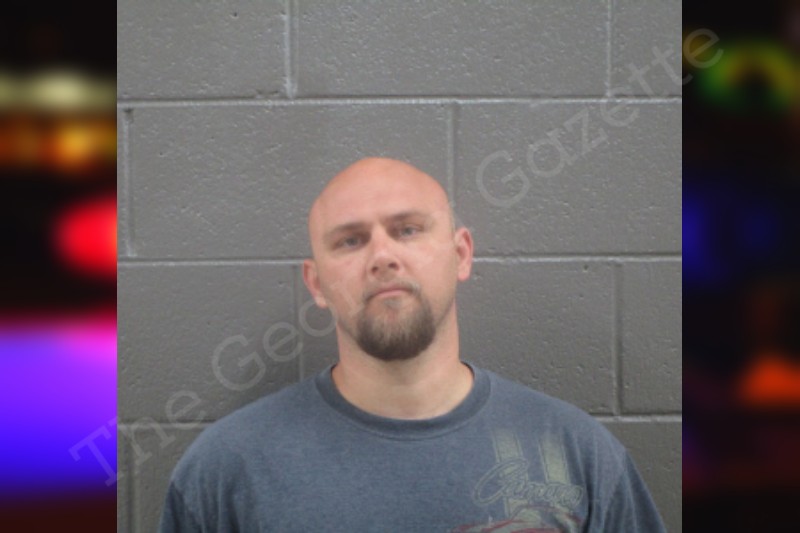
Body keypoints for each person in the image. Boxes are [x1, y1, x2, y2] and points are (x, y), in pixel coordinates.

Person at [159, 157, 667, 532]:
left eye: (407, 230)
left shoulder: (577, 453)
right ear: (316, 284)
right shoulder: (227, 471)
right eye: (350, 240)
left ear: (461, 254)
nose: (383, 256)